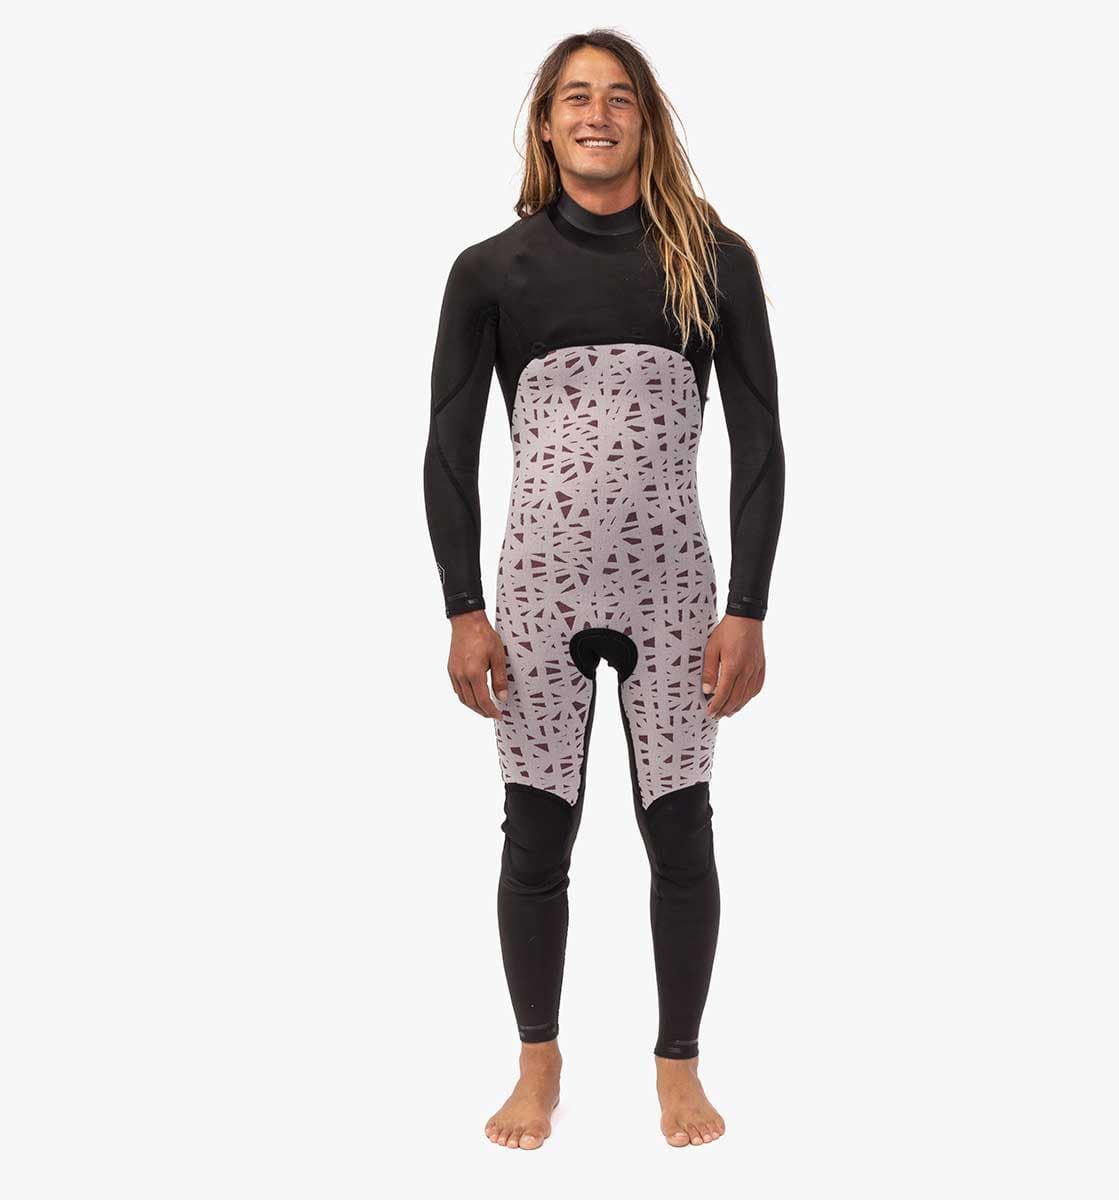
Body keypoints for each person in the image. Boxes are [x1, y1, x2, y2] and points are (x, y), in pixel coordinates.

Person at [423, 29, 785, 1150]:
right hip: (535, 594)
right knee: (535, 833)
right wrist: (463, 608)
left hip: (676, 594)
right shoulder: (493, 270)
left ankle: (679, 1064)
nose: (597, 113)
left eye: (618, 97)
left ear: (645, 120)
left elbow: (762, 443)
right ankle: (538, 1063)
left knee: (681, 828)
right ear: (545, 123)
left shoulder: (711, 259)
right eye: (575, 96)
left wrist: (749, 608)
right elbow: (447, 451)